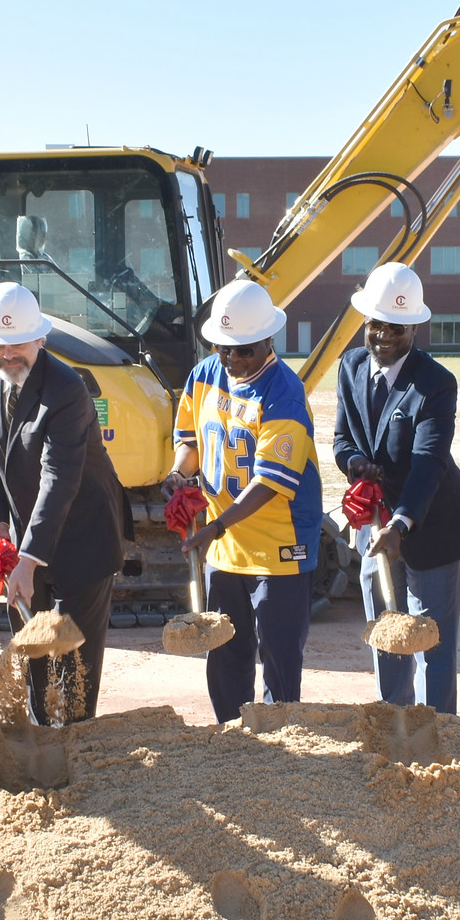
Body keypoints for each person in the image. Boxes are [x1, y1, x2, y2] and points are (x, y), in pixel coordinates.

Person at [0, 283, 130, 724]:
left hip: (83, 536)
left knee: (74, 661)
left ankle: (78, 749)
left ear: (40, 338)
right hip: (24, 537)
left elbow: (59, 478)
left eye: (18, 342)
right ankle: (43, 738)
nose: (8, 354)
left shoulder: (66, 389)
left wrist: (29, 558)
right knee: (36, 650)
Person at [166, 280, 320, 723]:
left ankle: (279, 745)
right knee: (226, 653)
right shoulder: (203, 375)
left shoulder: (285, 393)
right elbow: (190, 439)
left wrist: (215, 526)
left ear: (268, 340)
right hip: (225, 546)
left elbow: (269, 483)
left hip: (278, 546)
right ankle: (230, 738)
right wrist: (180, 472)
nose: (232, 359)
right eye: (223, 348)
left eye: (243, 350)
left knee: (279, 655)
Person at [332, 262, 460, 713]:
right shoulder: (350, 366)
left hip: (431, 525)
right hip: (374, 526)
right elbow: (342, 439)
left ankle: (438, 730)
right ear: (365, 322)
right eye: (377, 324)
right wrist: (354, 462)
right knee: (388, 631)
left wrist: (400, 522)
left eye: (397, 327)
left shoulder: (435, 383)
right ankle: (393, 722)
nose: (384, 336)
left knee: (431, 639)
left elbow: (427, 463)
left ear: (414, 327)